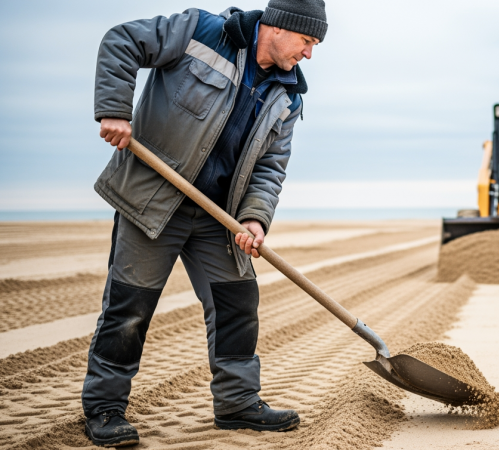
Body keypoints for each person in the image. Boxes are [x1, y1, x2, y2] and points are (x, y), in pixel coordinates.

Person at [84, 1, 327, 446]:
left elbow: (270, 166)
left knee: (238, 304)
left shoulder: (289, 95)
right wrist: (114, 108)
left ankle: (237, 404)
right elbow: (122, 41)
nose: (310, 54)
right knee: (129, 309)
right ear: (278, 27)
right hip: (153, 201)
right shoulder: (201, 31)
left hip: (220, 216)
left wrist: (254, 218)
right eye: (307, 41)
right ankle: (104, 408)